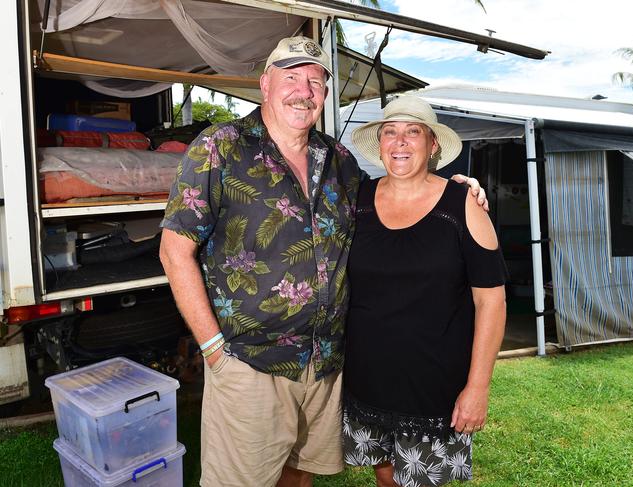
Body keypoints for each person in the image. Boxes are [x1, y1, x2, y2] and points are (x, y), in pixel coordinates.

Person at [160, 36, 486, 487]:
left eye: (315, 81)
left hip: (325, 364)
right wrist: (213, 349)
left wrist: (456, 187)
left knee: (299, 476)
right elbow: (175, 249)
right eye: (291, 77)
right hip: (251, 360)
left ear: (326, 95)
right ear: (265, 84)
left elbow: (398, 191)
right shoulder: (220, 147)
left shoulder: (340, 162)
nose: (304, 90)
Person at [342, 96, 507, 487]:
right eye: (391, 132)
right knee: (386, 480)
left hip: (434, 388)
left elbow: (492, 301)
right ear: (380, 143)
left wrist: (478, 387)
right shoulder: (357, 201)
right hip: (367, 380)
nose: (401, 142)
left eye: (413, 132)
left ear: (432, 145)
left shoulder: (463, 204)